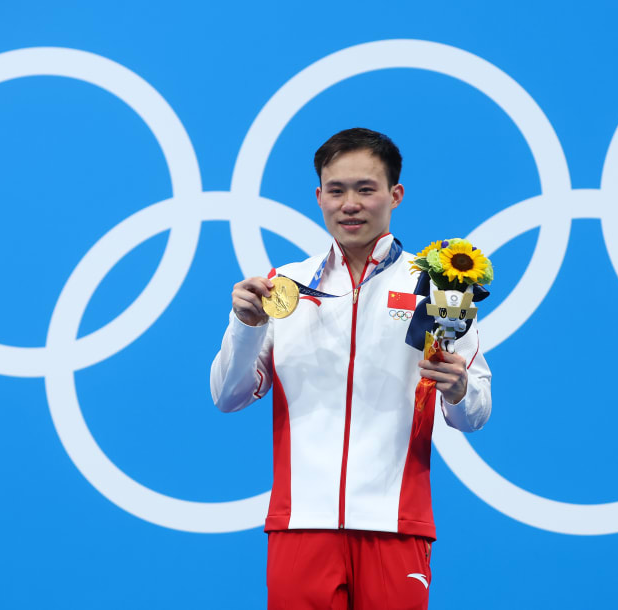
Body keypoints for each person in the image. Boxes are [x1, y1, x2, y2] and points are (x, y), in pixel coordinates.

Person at [210, 127, 492, 609]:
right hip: (301, 522)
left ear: (394, 195)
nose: (350, 204)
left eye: (366, 189)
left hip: (396, 524)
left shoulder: (440, 284)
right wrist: (245, 326)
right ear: (319, 196)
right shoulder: (282, 287)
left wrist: (460, 389)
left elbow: (473, 415)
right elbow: (227, 396)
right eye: (336, 190)